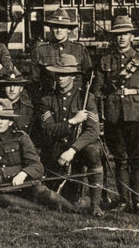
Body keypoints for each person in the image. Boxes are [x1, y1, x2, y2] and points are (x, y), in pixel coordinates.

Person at [94, 15, 139, 215]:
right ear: (114, 37)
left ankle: (138, 203)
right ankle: (123, 201)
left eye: (125, 34)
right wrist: (100, 118)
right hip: (114, 116)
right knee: (120, 159)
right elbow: (97, 93)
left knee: (137, 160)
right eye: (118, 34)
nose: (121, 38)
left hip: (138, 116)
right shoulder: (105, 60)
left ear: (132, 36)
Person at [0, 98, 74, 211]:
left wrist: (23, 173)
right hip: (1, 186)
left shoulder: (21, 137)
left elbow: (37, 167)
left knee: (41, 191)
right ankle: (41, 210)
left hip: (25, 184)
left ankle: (73, 210)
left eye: (3, 118)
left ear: (11, 122)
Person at [39, 54, 104, 215]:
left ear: (74, 76)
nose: (61, 78)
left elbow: (92, 131)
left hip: (78, 148)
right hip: (57, 148)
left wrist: (73, 150)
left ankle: (95, 205)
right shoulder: (47, 100)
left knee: (93, 151)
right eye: (58, 74)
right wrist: (72, 122)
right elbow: (48, 129)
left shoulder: (86, 98)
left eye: (65, 74)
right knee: (62, 199)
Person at [30, 8, 93, 98]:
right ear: (51, 29)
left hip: (75, 100)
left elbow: (88, 77)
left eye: (63, 27)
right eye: (55, 26)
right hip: (49, 99)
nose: (59, 30)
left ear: (68, 30)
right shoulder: (40, 50)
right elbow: (34, 81)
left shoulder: (79, 49)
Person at [0, 70, 34, 136]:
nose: (12, 89)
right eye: (8, 85)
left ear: (21, 88)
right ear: (4, 87)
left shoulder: (28, 110)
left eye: (15, 85)